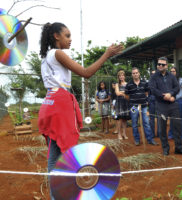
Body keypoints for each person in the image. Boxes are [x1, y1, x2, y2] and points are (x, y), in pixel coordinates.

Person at [38, 22, 123, 199]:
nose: (70, 40)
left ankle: (56, 196)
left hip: (49, 103)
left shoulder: (46, 56)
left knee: (54, 155)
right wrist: (106, 54)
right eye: (67, 36)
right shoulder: (58, 53)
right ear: (56, 36)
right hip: (60, 105)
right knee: (67, 155)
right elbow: (86, 72)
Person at [149, 57, 182, 156]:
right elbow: (153, 89)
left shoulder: (172, 76)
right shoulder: (154, 77)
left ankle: (178, 148)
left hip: (173, 105)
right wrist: (165, 97)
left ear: (166, 66)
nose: (160, 66)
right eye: (159, 64)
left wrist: (171, 94)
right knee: (162, 128)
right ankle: (165, 149)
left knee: (177, 126)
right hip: (161, 105)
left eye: (162, 64)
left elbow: (176, 88)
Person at [125, 67, 159, 146]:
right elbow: (126, 96)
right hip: (133, 107)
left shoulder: (144, 83)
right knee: (134, 123)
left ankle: (150, 139)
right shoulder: (129, 84)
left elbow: (146, 93)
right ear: (132, 75)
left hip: (143, 106)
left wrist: (144, 100)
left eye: (136, 73)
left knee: (146, 122)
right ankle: (137, 140)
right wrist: (133, 102)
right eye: (133, 73)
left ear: (139, 73)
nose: (135, 74)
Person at [168, 67, 182, 140]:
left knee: (180, 118)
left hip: (180, 101)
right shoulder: (168, 81)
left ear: (176, 72)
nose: (172, 72)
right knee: (172, 118)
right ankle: (171, 134)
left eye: (174, 71)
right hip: (171, 101)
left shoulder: (181, 80)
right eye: (171, 71)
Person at [115, 70, 130, 140]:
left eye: (122, 75)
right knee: (120, 119)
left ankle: (124, 133)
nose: (121, 77)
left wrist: (122, 92)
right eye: (120, 75)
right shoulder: (117, 84)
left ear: (124, 76)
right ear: (118, 77)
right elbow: (117, 93)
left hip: (126, 102)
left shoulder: (127, 84)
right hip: (119, 103)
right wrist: (124, 93)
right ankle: (119, 134)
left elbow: (129, 93)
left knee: (125, 119)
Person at [148, 69, 160, 138]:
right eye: (152, 74)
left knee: (159, 117)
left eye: (154, 73)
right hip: (151, 101)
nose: (153, 75)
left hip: (158, 101)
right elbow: (147, 93)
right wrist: (149, 100)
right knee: (151, 118)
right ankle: (152, 134)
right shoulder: (149, 83)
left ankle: (159, 133)